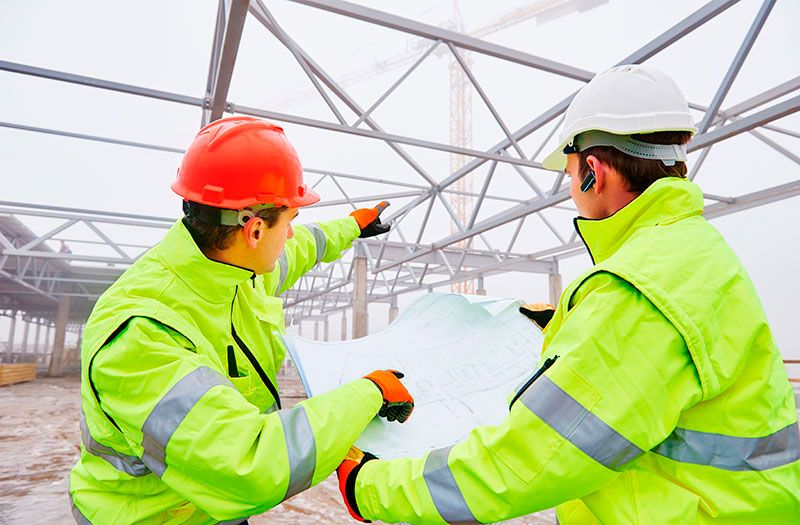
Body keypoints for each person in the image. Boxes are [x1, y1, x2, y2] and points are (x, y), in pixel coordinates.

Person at [335, 64, 800, 524]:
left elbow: (526, 462)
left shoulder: (637, 292)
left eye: (571, 171)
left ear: (594, 172)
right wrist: (578, 327)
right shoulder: (691, 252)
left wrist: (370, 486)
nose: (570, 185)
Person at [68, 116, 415, 524]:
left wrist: (350, 227)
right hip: (152, 517)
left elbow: (305, 246)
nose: (290, 236)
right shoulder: (141, 332)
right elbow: (246, 464)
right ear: (253, 231)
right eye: (288, 223)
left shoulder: (238, 272)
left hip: (210, 511)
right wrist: (367, 392)